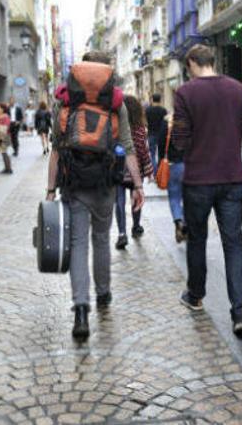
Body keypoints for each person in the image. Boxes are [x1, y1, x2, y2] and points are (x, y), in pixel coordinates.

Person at [46, 50, 144, 342]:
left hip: (73, 184)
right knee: (101, 239)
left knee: (78, 244)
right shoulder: (116, 104)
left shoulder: (64, 102)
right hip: (105, 184)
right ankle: (103, 293)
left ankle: (80, 309)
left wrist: (51, 189)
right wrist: (137, 185)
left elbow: (56, 148)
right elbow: (127, 146)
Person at [172, 43, 242, 338]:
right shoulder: (237, 89)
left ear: (191, 64)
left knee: (196, 239)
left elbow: (180, 141)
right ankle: (239, 312)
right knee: (233, 243)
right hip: (231, 179)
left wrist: (178, 137)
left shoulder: (185, 93)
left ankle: (196, 295)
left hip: (198, 180)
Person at [115, 95, 153, 249]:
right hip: (135, 169)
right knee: (136, 197)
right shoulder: (140, 129)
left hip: (118, 169)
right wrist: (149, 169)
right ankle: (136, 226)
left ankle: (122, 233)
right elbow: (144, 151)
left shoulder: (117, 128)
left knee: (119, 201)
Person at [158, 114, 187, 243]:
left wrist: (160, 163)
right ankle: (185, 223)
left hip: (172, 165)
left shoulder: (167, 124)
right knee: (187, 198)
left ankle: (178, 220)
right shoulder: (190, 122)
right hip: (189, 165)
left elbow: (161, 145)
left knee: (174, 197)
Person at [145, 93, 168, 175]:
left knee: (152, 154)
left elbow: (145, 122)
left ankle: (154, 173)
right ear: (160, 100)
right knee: (161, 153)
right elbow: (166, 123)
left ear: (152, 100)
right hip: (162, 134)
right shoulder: (163, 110)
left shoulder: (147, 110)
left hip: (151, 134)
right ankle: (159, 172)